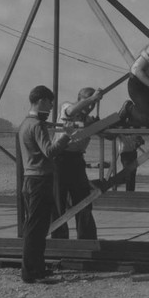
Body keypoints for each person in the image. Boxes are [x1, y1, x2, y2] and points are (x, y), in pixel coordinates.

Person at [18, 85, 73, 284]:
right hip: (40, 180)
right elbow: (49, 151)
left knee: (38, 227)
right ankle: (29, 272)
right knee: (35, 228)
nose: (51, 107)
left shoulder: (25, 123)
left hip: (30, 179)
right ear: (41, 100)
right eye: (50, 102)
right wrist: (66, 135)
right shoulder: (37, 125)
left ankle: (37, 268)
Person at [51, 87, 103, 240]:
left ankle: (86, 239)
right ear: (79, 99)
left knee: (83, 200)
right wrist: (93, 99)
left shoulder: (88, 121)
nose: (89, 107)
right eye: (87, 103)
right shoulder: (66, 107)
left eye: (92, 105)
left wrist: (110, 122)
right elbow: (72, 111)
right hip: (59, 159)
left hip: (77, 160)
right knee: (58, 201)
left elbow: (108, 135)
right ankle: (59, 239)